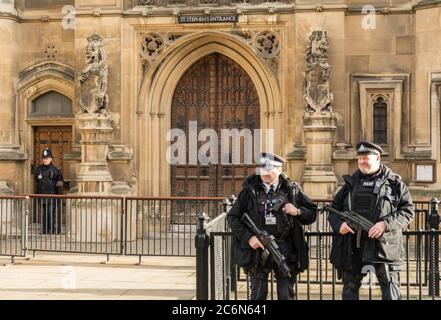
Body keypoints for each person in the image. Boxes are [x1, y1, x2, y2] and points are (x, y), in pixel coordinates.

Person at [328, 141, 414, 300]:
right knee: (349, 291)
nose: (361, 162)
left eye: (365, 158)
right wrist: (340, 225)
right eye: (359, 159)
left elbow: (407, 211)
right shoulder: (350, 184)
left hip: (384, 247)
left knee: (390, 293)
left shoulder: (394, 184)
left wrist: (385, 224)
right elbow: (334, 209)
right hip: (354, 246)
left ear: (378, 158)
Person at [227, 152, 317, 300]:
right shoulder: (250, 191)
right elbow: (233, 217)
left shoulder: (291, 190)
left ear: (279, 170)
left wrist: (298, 211)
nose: (265, 173)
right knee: (258, 294)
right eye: (262, 169)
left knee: (285, 293)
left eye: (269, 169)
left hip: (285, 248)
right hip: (258, 248)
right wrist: (250, 238)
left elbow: (312, 212)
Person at [34, 148, 64, 234]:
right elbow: (37, 180)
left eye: (47, 158)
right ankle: (44, 230)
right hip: (42, 194)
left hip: (52, 195)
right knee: (44, 213)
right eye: (44, 158)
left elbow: (60, 181)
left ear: (51, 159)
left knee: (51, 213)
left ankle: (51, 229)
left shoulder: (55, 170)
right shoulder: (38, 169)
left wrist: (58, 185)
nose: (45, 160)